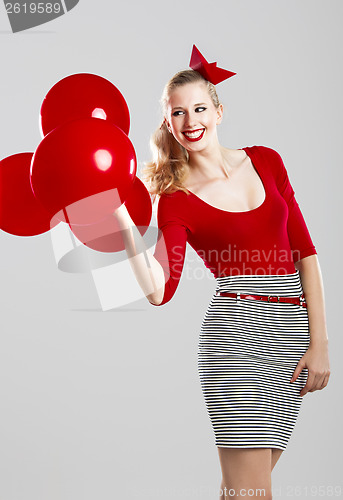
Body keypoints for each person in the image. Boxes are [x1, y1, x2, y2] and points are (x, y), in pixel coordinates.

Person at [113, 46, 330, 499]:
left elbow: (306, 253)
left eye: (199, 108)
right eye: (178, 113)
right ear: (167, 123)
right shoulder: (175, 196)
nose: (191, 121)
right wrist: (123, 226)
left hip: (290, 338)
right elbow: (160, 290)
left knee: (242, 492)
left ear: (218, 110)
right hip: (236, 341)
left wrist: (320, 341)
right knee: (253, 494)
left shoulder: (266, 160)